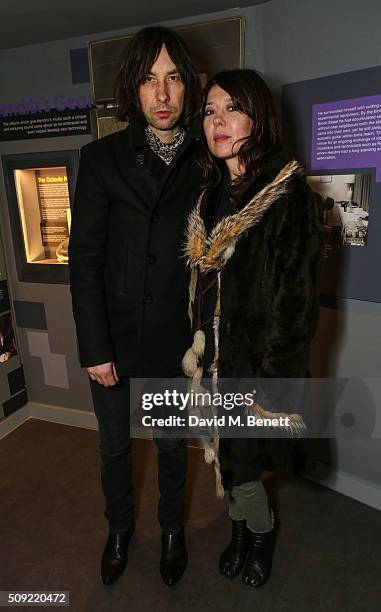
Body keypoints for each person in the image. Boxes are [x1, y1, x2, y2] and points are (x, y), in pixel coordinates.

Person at [68, 26, 202, 587]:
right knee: (116, 448)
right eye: (150, 79)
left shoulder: (206, 161)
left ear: (187, 87)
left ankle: (173, 530)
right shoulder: (100, 158)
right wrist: (95, 347)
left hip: (175, 336)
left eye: (173, 78)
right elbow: (85, 262)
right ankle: (119, 530)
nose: (163, 93)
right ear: (134, 88)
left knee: (172, 446)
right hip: (115, 340)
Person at [182, 69, 324, 588]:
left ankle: (259, 534)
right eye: (210, 111)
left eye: (232, 109)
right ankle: (239, 533)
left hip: (256, 367)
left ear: (257, 117)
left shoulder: (288, 197)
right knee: (224, 460)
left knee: (243, 465)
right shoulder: (211, 195)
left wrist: (273, 387)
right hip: (213, 359)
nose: (218, 122)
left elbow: (297, 307)